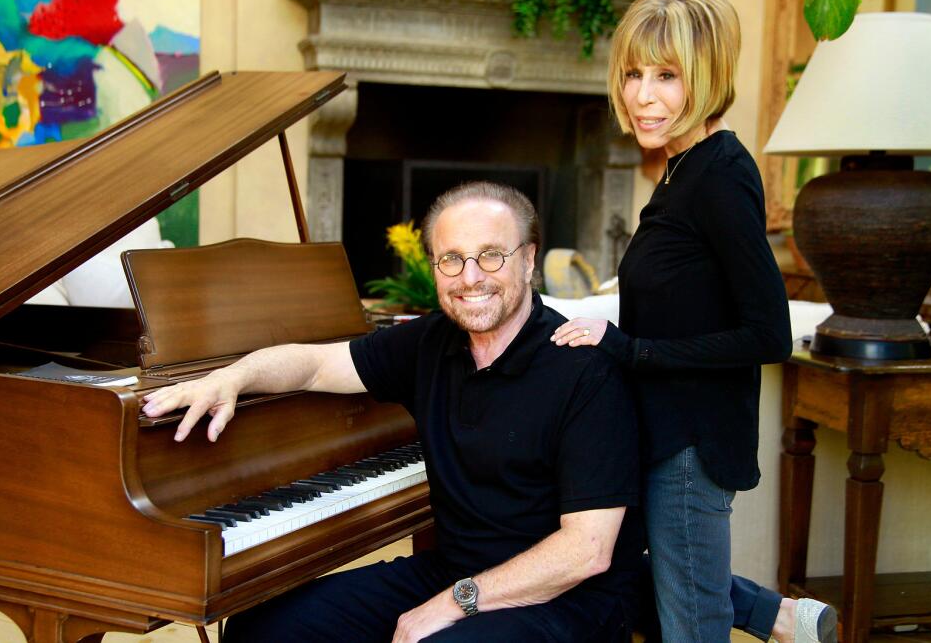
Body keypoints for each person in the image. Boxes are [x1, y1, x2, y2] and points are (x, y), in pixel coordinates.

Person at [142, 182, 645, 643]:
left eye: (491, 256)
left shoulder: (585, 370)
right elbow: (316, 366)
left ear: (528, 258)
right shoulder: (432, 342)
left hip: (568, 600)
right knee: (262, 631)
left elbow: (586, 550)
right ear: (433, 266)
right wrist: (234, 376)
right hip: (451, 569)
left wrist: (453, 604)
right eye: (451, 259)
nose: (470, 278)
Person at [551, 0, 836, 643]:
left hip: (690, 447)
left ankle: (776, 615)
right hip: (658, 432)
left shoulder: (721, 175)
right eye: (632, 73)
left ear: (706, 77)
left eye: (666, 76)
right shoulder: (682, 171)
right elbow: (679, 302)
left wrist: (629, 349)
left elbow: (768, 331)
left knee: (692, 627)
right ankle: (778, 614)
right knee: (619, 569)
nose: (641, 95)